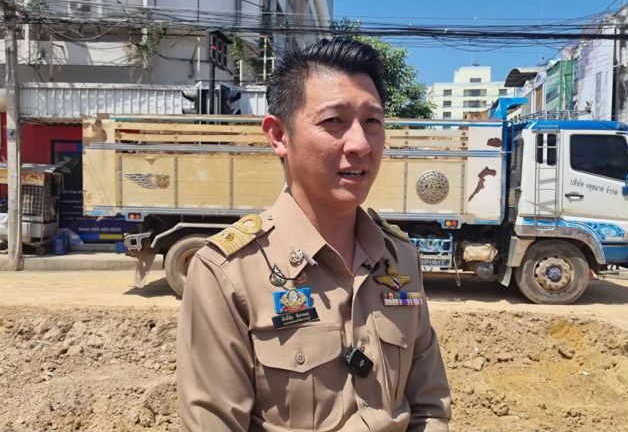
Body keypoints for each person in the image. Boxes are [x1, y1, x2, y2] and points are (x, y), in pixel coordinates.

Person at [177, 38, 451, 431]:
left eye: (372, 122)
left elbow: (429, 409)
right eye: (334, 121)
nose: (360, 144)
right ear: (278, 136)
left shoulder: (401, 259)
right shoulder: (227, 273)